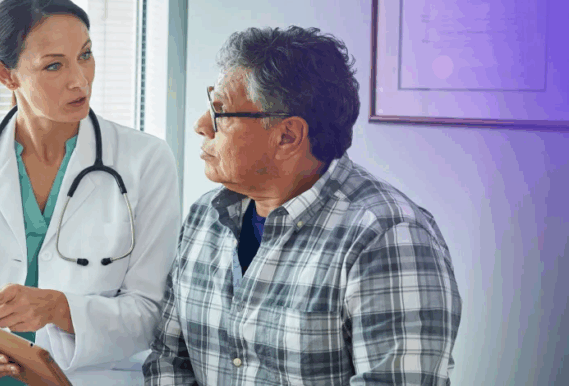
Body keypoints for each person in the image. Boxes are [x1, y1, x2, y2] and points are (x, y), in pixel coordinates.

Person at [143, 26, 462, 385]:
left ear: (288, 136)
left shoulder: (389, 237)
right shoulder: (205, 217)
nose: (202, 125)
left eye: (221, 112)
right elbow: (168, 358)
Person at [0, 0, 180, 386]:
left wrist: (61, 308)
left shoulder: (146, 160)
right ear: (6, 75)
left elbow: (151, 312)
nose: (79, 80)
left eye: (85, 56)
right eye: (54, 66)